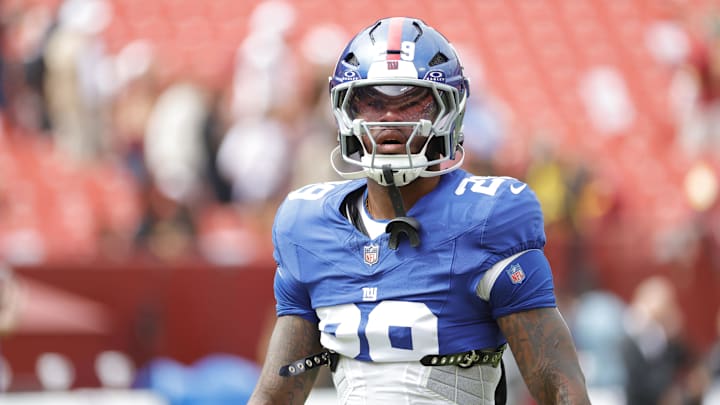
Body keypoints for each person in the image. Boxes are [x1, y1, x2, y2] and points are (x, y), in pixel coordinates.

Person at [248, 17, 590, 405]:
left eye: (413, 102)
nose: (391, 119)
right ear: (345, 110)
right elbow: (276, 393)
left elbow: (558, 385)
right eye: (372, 102)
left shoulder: (488, 217)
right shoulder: (307, 225)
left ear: (449, 109)